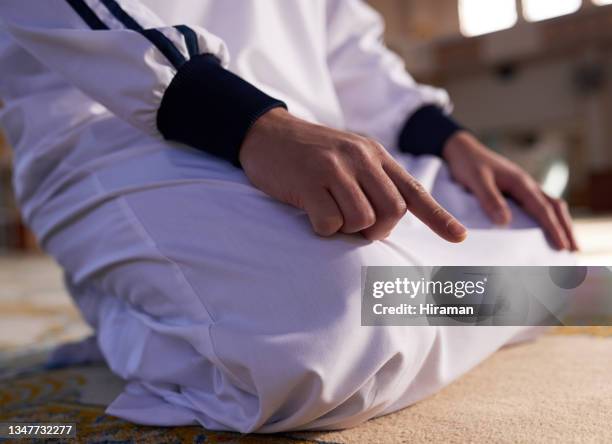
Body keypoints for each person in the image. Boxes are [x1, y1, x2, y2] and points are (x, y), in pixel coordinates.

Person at [0, 0, 576, 433]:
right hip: (121, 137)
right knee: (331, 339)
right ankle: (135, 309)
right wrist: (247, 122)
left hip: (310, 139)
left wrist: (449, 141)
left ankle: (393, 296)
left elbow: (345, 43)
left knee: (548, 241)